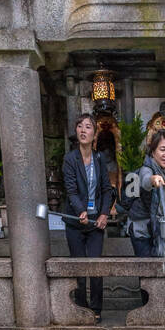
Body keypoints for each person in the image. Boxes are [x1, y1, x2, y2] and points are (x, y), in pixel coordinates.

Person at [62, 113, 112, 318]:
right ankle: (81, 308)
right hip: (76, 221)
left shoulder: (99, 159)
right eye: (80, 126)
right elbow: (71, 190)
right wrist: (80, 210)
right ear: (76, 131)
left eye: (88, 127)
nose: (83, 130)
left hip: (95, 223)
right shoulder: (70, 159)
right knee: (80, 266)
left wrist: (104, 214)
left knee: (95, 265)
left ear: (94, 134)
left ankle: (97, 309)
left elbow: (107, 190)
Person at [126, 130, 165, 258]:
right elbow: (145, 181)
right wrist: (153, 180)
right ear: (153, 151)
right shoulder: (147, 169)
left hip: (160, 228)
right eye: (162, 149)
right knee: (147, 269)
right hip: (142, 230)